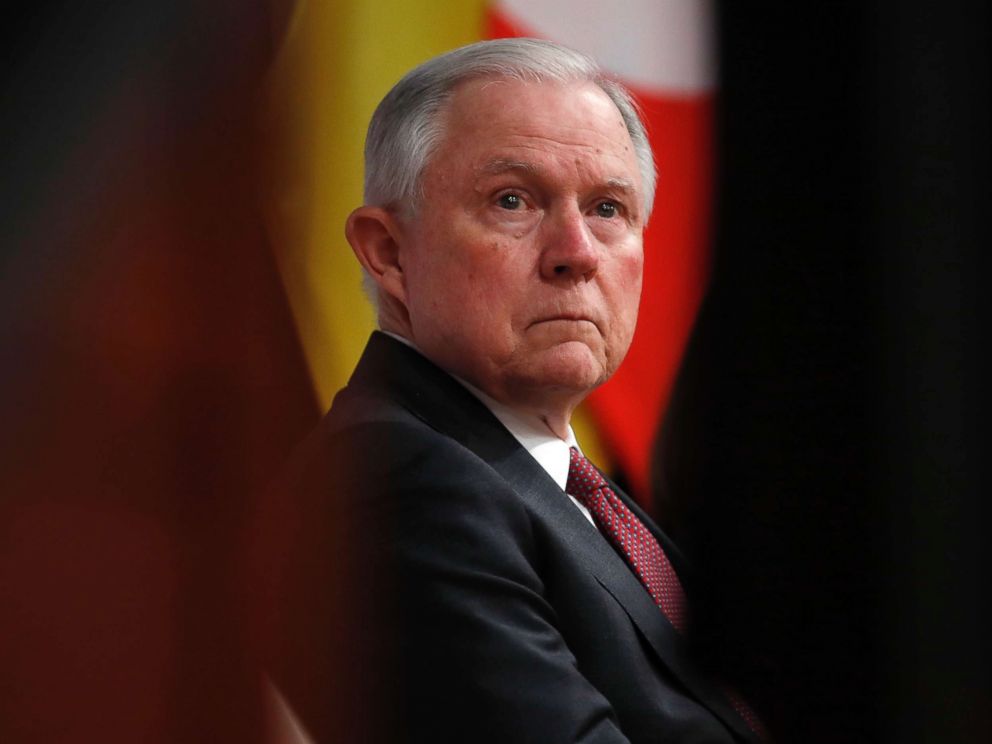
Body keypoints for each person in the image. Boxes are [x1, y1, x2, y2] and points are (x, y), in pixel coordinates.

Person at [263, 38, 763, 744]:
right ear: (389, 253)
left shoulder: (567, 487)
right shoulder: (398, 482)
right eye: (512, 200)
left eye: (609, 209)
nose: (577, 253)